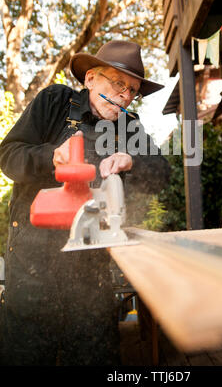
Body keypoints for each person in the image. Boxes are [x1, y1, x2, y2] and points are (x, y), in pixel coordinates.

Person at [0, 40, 170, 366]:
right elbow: (8, 156)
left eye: (132, 90)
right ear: (90, 78)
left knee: (95, 356)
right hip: (34, 268)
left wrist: (132, 161)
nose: (125, 95)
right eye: (118, 83)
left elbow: (161, 172)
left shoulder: (128, 125)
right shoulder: (55, 102)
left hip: (91, 274)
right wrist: (51, 156)